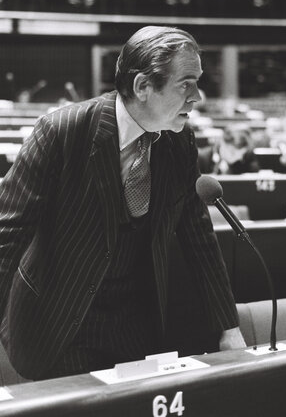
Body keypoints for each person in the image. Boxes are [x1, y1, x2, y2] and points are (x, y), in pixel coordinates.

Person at [0, 26, 245, 381]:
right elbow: (7, 238)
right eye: (186, 84)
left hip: (135, 326)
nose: (198, 97)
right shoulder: (61, 131)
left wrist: (228, 327)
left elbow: (199, 236)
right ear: (143, 86)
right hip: (59, 321)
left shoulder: (180, 141)